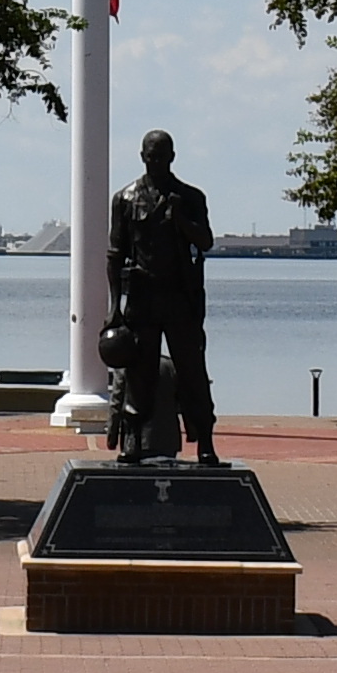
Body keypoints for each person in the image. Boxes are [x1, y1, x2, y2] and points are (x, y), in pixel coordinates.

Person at [101, 128, 219, 464]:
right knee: (140, 374)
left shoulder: (191, 197)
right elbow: (114, 253)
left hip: (181, 299)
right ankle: (133, 440)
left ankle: (204, 440)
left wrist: (181, 218)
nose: (156, 163)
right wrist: (114, 308)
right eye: (151, 156)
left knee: (193, 371)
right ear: (142, 157)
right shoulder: (124, 199)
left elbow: (206, 241)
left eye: (162, 157)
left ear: (172, 158)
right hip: (142, 298)